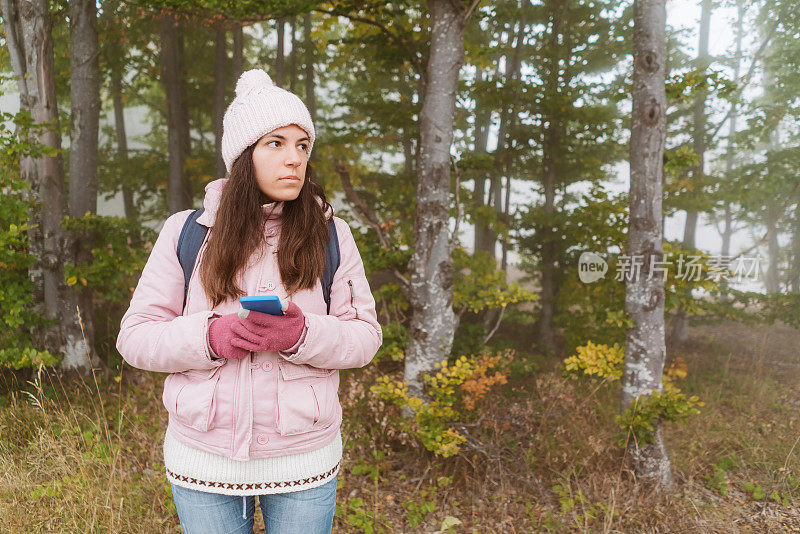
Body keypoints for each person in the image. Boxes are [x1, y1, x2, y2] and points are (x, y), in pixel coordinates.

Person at [116, 68, 383, 534]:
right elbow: (135, 337)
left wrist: (302, 334)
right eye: (276, 144)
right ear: (243, 156)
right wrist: (211, 336)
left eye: (303, 145)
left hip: (303, 459)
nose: (295, 159)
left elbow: (365, 337)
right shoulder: (186, 232)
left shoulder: (331, 234)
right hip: (204, 459)